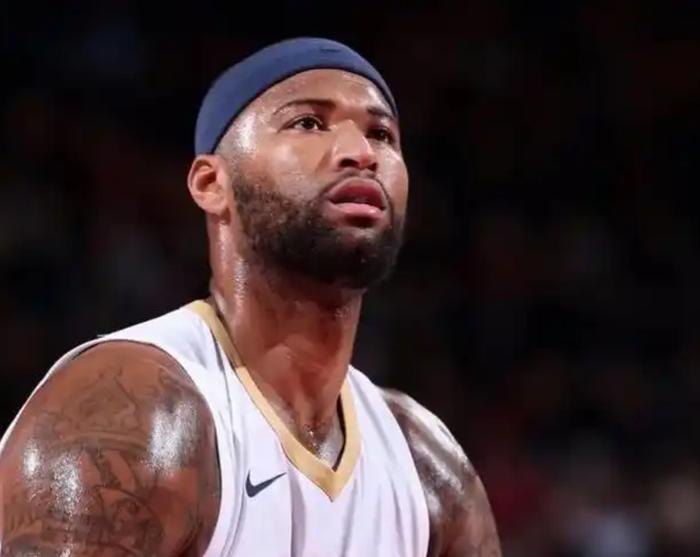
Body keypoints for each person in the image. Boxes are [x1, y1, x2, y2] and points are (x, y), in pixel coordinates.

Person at [0, 38, 501, 556]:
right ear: (211, 183)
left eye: (382, 134)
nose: (361, 152)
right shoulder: (132, 413)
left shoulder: (426, 469)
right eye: (308, 123)